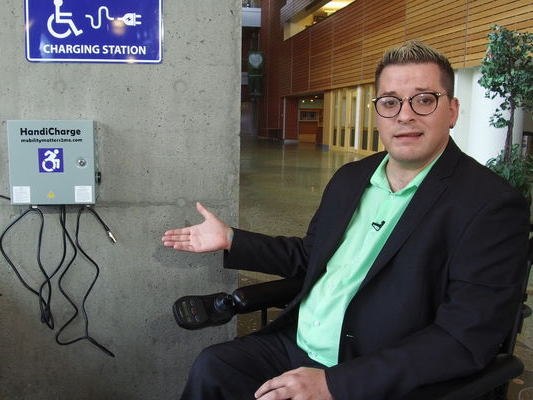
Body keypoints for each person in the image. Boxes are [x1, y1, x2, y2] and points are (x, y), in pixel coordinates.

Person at [162, 40, 530, 400]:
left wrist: (335, 385)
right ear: (378, 113)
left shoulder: (490, 206)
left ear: (452, 110)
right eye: (390, 102)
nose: (405, 114)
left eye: (424, 99)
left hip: (369, 370)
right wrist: (231, 239)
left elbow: (463, 339)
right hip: (296, 344)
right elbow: (310, 257)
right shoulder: (351, 178)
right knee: (215, 367)